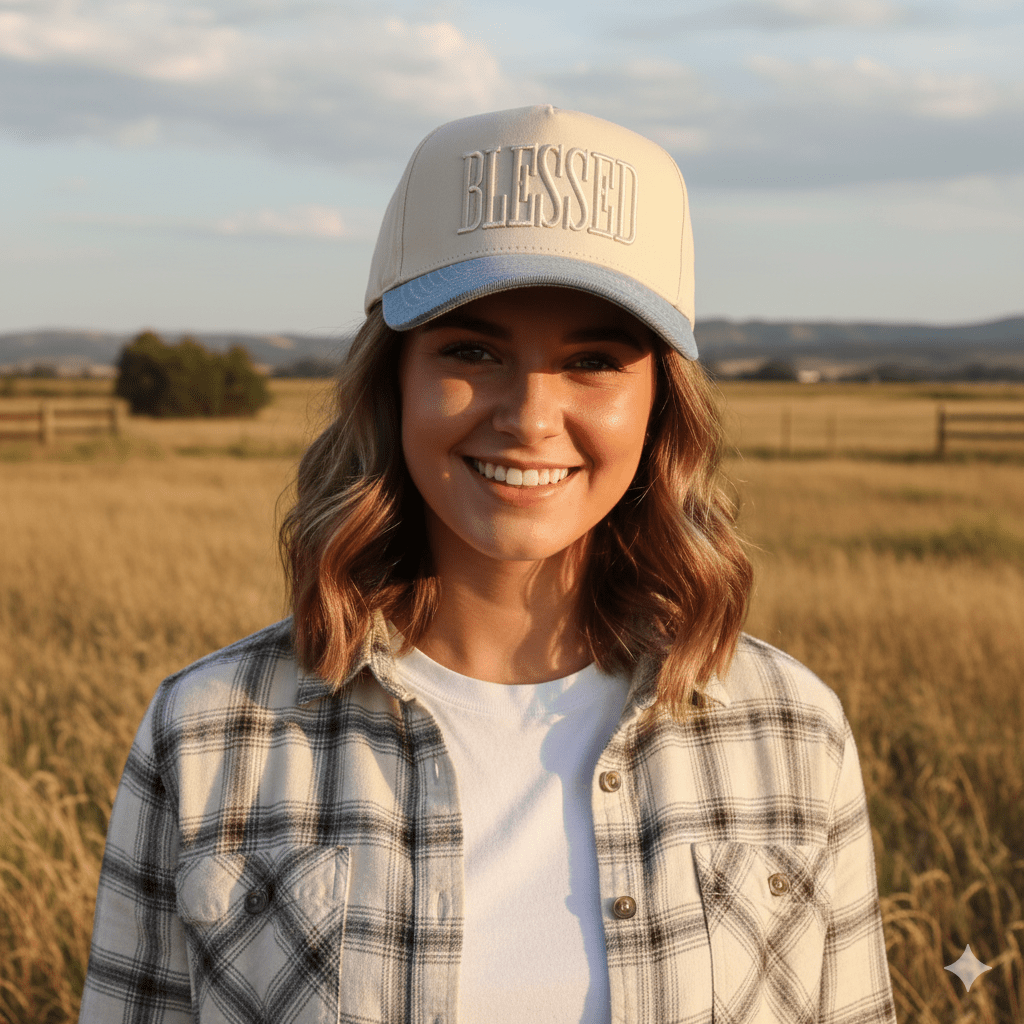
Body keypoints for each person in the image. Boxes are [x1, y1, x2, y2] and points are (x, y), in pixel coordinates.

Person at [79, 105, 897, 1024]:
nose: (531, 417)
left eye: (593, 361)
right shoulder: (209, 736)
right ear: (393, 381)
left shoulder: (790, 732)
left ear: (661, 406)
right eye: (472, 350)